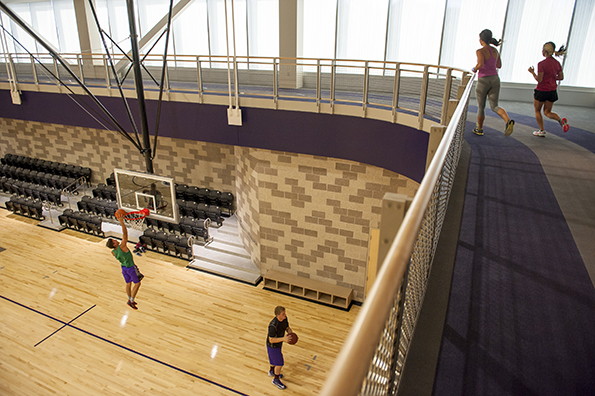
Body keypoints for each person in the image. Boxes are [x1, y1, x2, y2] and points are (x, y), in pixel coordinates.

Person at [472, 29, 515, 137]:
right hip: (495, 79)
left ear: (481, 40)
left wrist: (474, 68)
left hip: (483, 80)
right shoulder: (495, 51)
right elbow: (499, 65)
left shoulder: (480, 51)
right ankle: (507, 120)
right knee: (494, 106)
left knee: (481, 107)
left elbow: (480, 65)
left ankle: (480, 129)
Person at [528, 42, 569, 137]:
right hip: (552, 91)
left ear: (545, 51)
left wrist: (532, 73)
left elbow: (540, 79)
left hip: (541, 90)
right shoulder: (557, 63)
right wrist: (552, 77)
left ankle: (541, 130)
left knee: (537, 111)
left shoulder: (541, 64)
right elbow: (561, 77)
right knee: (547, 112)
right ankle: (560, 120)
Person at [106, 211, 144, 310]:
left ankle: (129, 298)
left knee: (128, 283)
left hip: (124, 268)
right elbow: (125, 233)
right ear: (114, 244)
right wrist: (122, 222)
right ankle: (131, 301)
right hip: (131, 268)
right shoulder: (122, 246)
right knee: (137, 283)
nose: (115, 240)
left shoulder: (113, 252)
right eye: (114, 240)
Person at [266, 306, 293, 390]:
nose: (285, 315)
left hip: (279, 343)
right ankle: (276, 379)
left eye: (285, 313)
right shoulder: (273, 326)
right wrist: (283, 339)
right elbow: (271, 340)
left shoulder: (284, 319)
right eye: (283, 314)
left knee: (273, 359)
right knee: (280, 363)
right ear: (278, 315)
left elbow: (286, 327)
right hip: (272, 346)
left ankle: (271, 371)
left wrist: (289, 331)